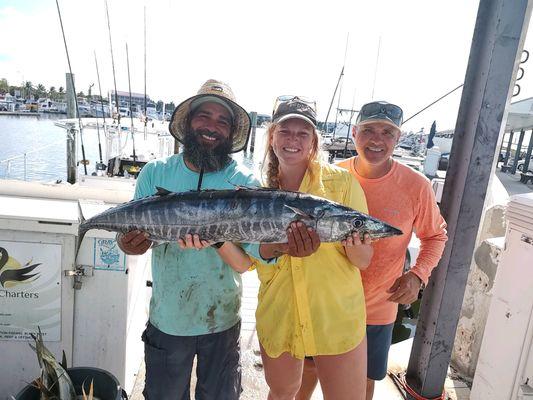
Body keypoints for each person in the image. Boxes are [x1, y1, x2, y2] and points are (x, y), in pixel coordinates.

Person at [116, 79, 267, 400]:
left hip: (222, 320)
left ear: (230, 132)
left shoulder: (244, 181)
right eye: (204, 116)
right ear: (188, 122)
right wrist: (129, 244)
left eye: (222, 121)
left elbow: (247, 262)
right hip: (168, 318)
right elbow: (129, 237)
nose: (212, 127)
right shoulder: (155, 173)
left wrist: (215, 238)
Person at [296, 101, 447, 400]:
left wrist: (418, 275)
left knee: (363, 381)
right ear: (354, 133)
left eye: (387, 133)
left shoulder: (417, 186)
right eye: (368, 130)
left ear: (398, 138)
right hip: (326, 302)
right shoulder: (331, 177)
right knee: (307, 372)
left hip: (377, 306)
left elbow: (435, 235)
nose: (377, 140)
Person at [255, 96, 373, 400]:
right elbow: (256, 257)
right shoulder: (256, 190)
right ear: (272, 137)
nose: (293, 139)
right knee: (281, 393)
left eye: (302, 133)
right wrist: (279, 247)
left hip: (334, 314)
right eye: (285, 131)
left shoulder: (342, 183)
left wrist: (356, 242)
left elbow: (363, 260)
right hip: (281, 312)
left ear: (313, 141)